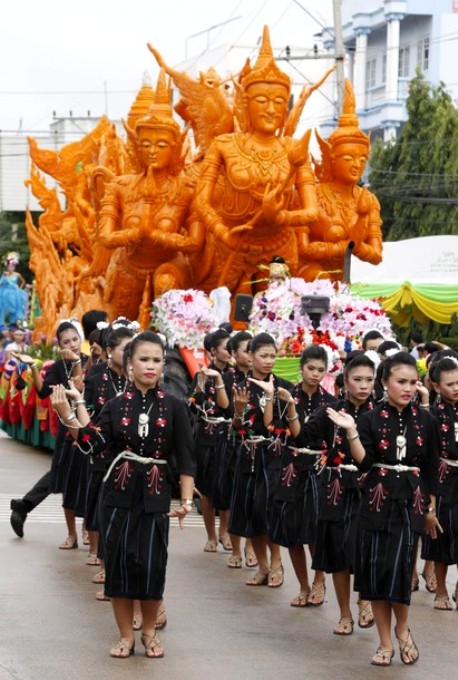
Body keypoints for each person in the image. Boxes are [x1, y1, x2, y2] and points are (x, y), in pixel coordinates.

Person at [50, 331, 196, 659]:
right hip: (117, 493)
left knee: (151, 565)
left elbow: (186, 458)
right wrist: (67, 414)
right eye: (144, 359)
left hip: (156, 494)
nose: (151, 366)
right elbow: (92, 444)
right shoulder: (116, 406)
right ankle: (125, 636)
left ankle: (148, 633)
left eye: (156, 360)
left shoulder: (174, 406)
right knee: (119, 563)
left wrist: (186, 502)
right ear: (129, 364)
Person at [327, 351, 440, 666]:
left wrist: (431, 508)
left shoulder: (426, 419)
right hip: (376, 498)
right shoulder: (369, 418)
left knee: (401, 570)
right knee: (376, 570)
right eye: (400, 382)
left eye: (412, 383)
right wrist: (351, 431)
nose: (407, 388)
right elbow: (363, 461)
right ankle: (385, 642)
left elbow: (431, 468)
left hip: (412, 502)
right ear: (385, 383)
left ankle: (403, 630)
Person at [195, 26, 318, 296]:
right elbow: (201, 200)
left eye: (279, 101)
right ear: (245, 103)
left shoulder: (293, 149)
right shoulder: (225, 145)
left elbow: (312, 211)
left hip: (279, 245)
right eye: (262, 100)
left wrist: (281, 216)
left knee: (276, 318)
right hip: (231, 244)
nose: (271, 109)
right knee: (225, 322)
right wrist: (223, 233)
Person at [300, 353, 376, 632]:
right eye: (357, 379)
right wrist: (278, 403)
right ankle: (345, 614)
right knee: (338, 553)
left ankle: (364, 600)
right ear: (345, 381)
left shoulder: (380, 412)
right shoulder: (329, 410)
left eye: (369, 379)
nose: (363, 385)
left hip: (370, 489)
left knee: (365, 548)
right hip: (335, 489)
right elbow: (301, 437)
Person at [269, 345, 336, 607]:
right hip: (291, 468)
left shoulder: (331, 403)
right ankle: (303, 585)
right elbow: (274, 428)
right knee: (292, 532)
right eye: (311, 368)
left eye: (321, 370)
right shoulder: (285, 397)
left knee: (317, 529)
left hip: (319, 471)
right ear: (301, 367)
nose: (315, 374)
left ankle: (319, 578)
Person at [10, 320, 87, 544]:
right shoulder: (57, 367)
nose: (72, 344)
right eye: (66, 341)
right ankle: (74, 532)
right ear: (59, 345)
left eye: (74, 339)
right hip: (68, 428)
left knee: (75, 476)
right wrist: (33, 367)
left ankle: (25, 506)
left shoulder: (90, 362)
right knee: (64, 475)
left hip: (89, 426)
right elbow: (43, 392)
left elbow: (81, 388)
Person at [299, 79, 382, 282]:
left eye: (362, 159)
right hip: (309, 276)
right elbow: (302, 247)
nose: (356, 164)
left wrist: (360, 224)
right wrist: (342, 246)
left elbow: (377, 255)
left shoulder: (368, 200)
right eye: (348, 158)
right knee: (322, 280)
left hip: (341, 280)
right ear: (331, 158)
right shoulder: (313, 194)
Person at [229, 332, 294, 587]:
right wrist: (237, 411)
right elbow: (236, 430)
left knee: (267, 509)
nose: (268, 361)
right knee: (250, 511)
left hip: (274, 457)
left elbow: (283, 426)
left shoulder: (284, 388)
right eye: (263, 356)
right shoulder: (241, 387)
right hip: (247, 455)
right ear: (251, 356)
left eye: (272, 356)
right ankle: (264, 566)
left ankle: (277, 560)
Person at [188, 329, 231, 552]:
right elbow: (193, 404)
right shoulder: (202, 375)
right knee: (207, 488)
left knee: (226, 484)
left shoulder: (235, 376)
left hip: (228, 434)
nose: (231, 352)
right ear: (213, 351)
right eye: (226, 347)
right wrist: (197, 393)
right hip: (207, 434)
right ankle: (211, 535)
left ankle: (225, 531)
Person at [422, 356, 458, 609]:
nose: (456, 388)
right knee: (442, 534)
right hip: (444, 478)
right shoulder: (431, 416)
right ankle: (442, 591)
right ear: (436, 386)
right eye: (450, 384)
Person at [0, 253, 27, 325]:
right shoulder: (5, 274)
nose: (11, 267)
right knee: (4, 307)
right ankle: (3, 323)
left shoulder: (17, 274)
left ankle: (14, 323)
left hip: (15, 293)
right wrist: (4, 276)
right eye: (10, 266)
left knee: (15, 308)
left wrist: (20, 288)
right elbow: (1, 283)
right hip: (6, 293)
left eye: (13, 266)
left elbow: (23, 281)